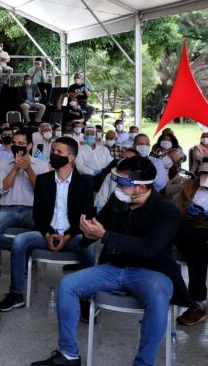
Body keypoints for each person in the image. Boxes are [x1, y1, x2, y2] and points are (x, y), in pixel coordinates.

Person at [31, 156, 190, 366]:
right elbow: (97, 229)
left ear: (141, 188)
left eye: (123, 182)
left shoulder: (167, 211)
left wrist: (104, 235)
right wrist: (87, 231)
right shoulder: (118, 201)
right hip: (114, 267)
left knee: (158, 298)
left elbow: (148, 248)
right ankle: (68, 354)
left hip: (152, 272)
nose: (117, 186)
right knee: (68, 284)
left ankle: (143, 363)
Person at [0, 136, 96, 313]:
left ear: (71, 157)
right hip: (46, 233)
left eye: (59, 152)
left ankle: (86, 299)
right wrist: (48, 234)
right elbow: (38, 214)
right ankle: (16, 294)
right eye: (53, 151)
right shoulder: (43, 180)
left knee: (88, 247)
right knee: (20, 241)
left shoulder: (85, 183)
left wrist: (66, 237)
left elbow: (86, 216)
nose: (54, 155)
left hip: (72, 235)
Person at [0, 131, 49, 254]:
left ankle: (22, 252)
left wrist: (29, 170)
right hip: (8, 209)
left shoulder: (41, 165)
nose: (16, 146)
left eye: (21, 143)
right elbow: (0, 189)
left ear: (29, 146)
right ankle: (21, 251)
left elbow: (43, 192)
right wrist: (14, 169)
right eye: (14, 143)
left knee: (42, 233)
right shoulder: (3, 164)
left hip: (32, 210)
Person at [172, 160, 208, 325]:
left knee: (197, 250)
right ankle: (197, 302)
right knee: (197, 245)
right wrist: (187, 210)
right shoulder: (189, 186)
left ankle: (196, 301)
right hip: (189, 230)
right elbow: (176, 208)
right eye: (203, 173)